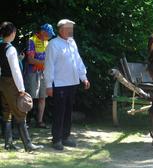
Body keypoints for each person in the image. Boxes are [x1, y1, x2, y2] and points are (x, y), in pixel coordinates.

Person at [44, 19, 90, 151]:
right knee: (59, 112)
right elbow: (49, 65)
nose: (71, 31)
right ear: (61, 30)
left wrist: (84, 78)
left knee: (68, 111)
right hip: (59, 84)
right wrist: (48, 85)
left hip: (72, 82)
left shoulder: (72, 42)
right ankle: (56, 139)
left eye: (72, 28)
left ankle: (65, 137)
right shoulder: (53, 44)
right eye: (69, 28)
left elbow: (78, 60)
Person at [0, 21, 43, 151]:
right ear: (12, 33)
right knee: (20, 112)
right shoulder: (11, 49)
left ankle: (8, 144)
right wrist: (21, 89)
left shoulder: (0, 46)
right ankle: (28, 145)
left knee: (6, 112)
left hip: (2, 82)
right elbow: (16, 70)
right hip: (11, 83)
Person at [25, 23, 55, 128]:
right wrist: (45, 62)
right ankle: (26, 121)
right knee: (30, 97)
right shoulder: (31, 40)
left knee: (43, 97)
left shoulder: (48, 42)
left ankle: (39, 121)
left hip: (44, 73)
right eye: (49, 34)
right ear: (43, 32)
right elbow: (30, 59)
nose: (50, 36)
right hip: (32, 72)